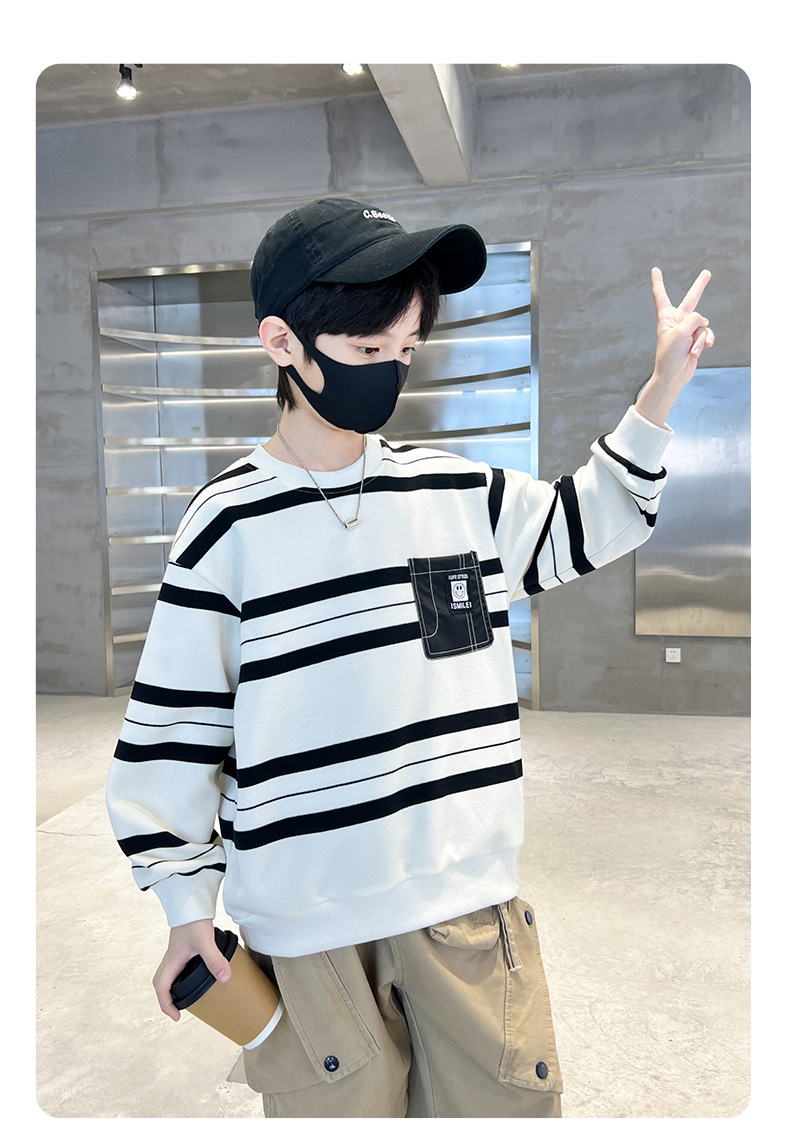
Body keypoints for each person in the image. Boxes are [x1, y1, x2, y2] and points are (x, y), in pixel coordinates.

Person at [105, 196, 714, 1118]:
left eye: (406, 349)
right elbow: (173, 733)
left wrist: (661, 388)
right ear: (281, 343)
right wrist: (186, 911)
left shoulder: (453, 491)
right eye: (366, 349)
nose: (390, 371)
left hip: (466, 911)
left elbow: (593, 518)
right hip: (307, 934)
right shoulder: (224, 525)